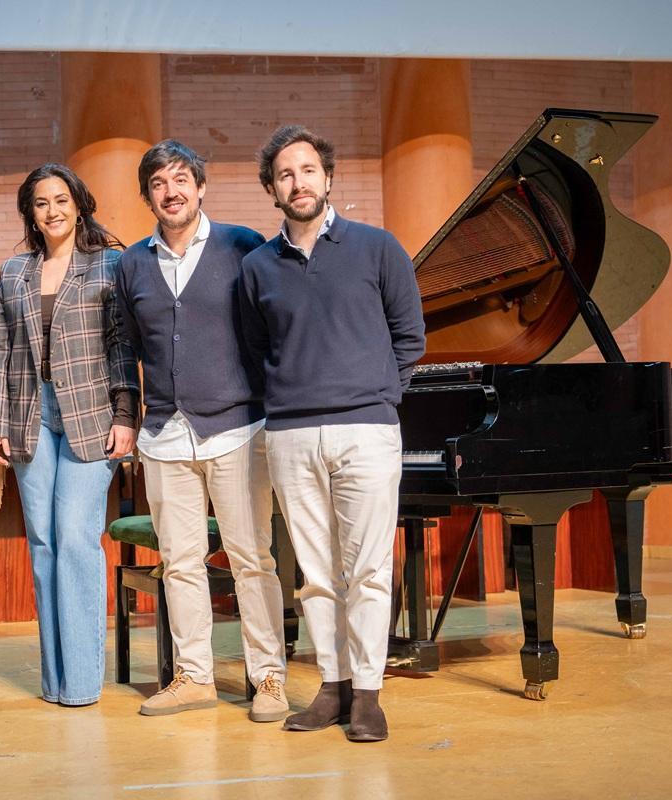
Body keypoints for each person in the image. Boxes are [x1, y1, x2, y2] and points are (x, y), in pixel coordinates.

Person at [239, 125, 426, 742]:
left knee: (367, 569)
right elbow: (256, 349)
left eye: (307, 170)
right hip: (291, 436)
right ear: (272, 189)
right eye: (285, 174)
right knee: (316, 574)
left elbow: (409, 337)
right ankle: (333, 685)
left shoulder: (378, 248)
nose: (298, 182)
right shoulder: (257, 267)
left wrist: (378, 395)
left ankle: (368, 694)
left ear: (328, 177)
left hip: (366, 430)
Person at [115, 140, 289, 722]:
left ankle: (268, 677)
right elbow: (128, 347)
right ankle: (194, 676)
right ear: (148, 197)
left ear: (201, 186)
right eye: (158, 183)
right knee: (180, 562)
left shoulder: (243, 246)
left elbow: (271, 328)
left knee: (251, 558)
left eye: (181, 179)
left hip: (238, 429)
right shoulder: (131, 264)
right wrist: (128, 416)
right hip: (165, 434)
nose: (171, 192)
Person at [0, 163, 139, 706]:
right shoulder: (14, 271)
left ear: (79, 206)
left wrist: (126, 415)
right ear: (30, 212)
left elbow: (122, 345)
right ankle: (56, 680)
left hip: (92, 416)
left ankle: (82, 682)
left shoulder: (109, 265)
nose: (52, 210)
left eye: (61, 200)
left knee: (75, 538)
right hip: (29, 416)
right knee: (44, 543)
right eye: (41, 202)